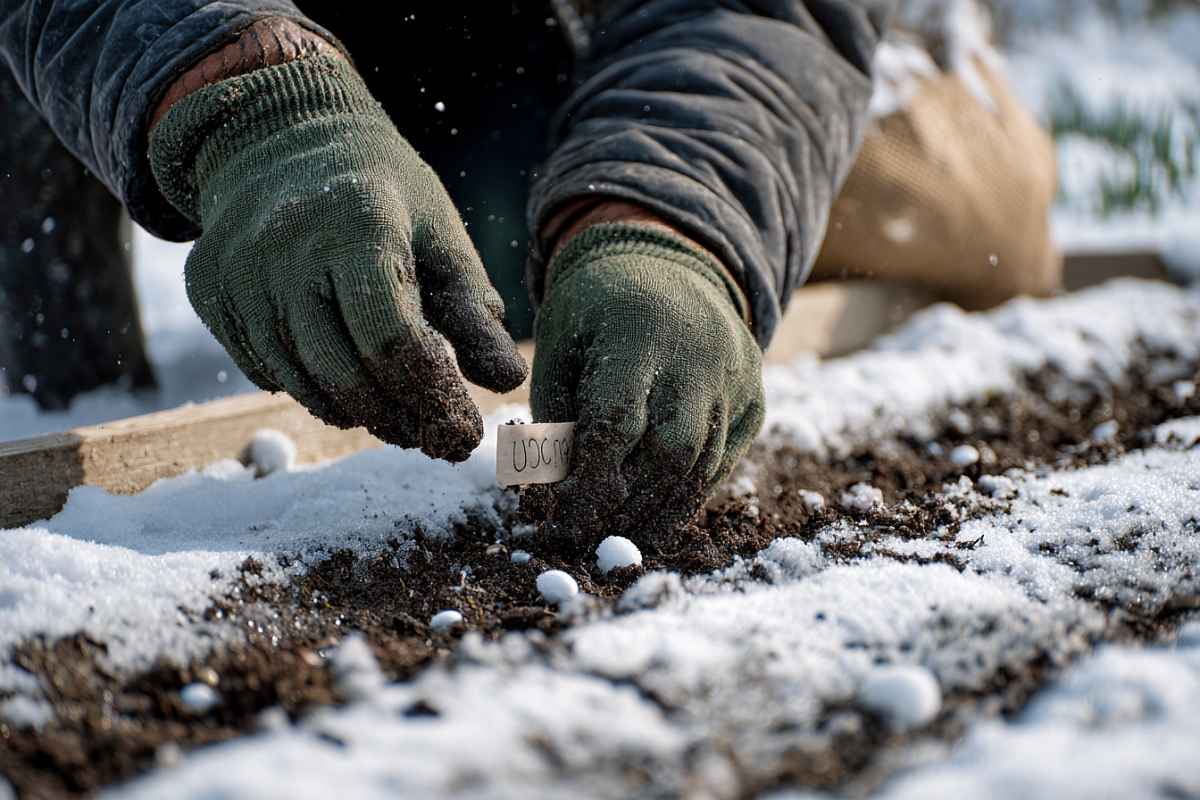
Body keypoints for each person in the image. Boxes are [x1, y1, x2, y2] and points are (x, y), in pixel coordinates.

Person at [0, 1, 1057, 536]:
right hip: (189, 34)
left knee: (978, 211)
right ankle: (70, 374)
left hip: (542, 43)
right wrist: (246, 100)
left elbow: (753, 16)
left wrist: (667, 221)